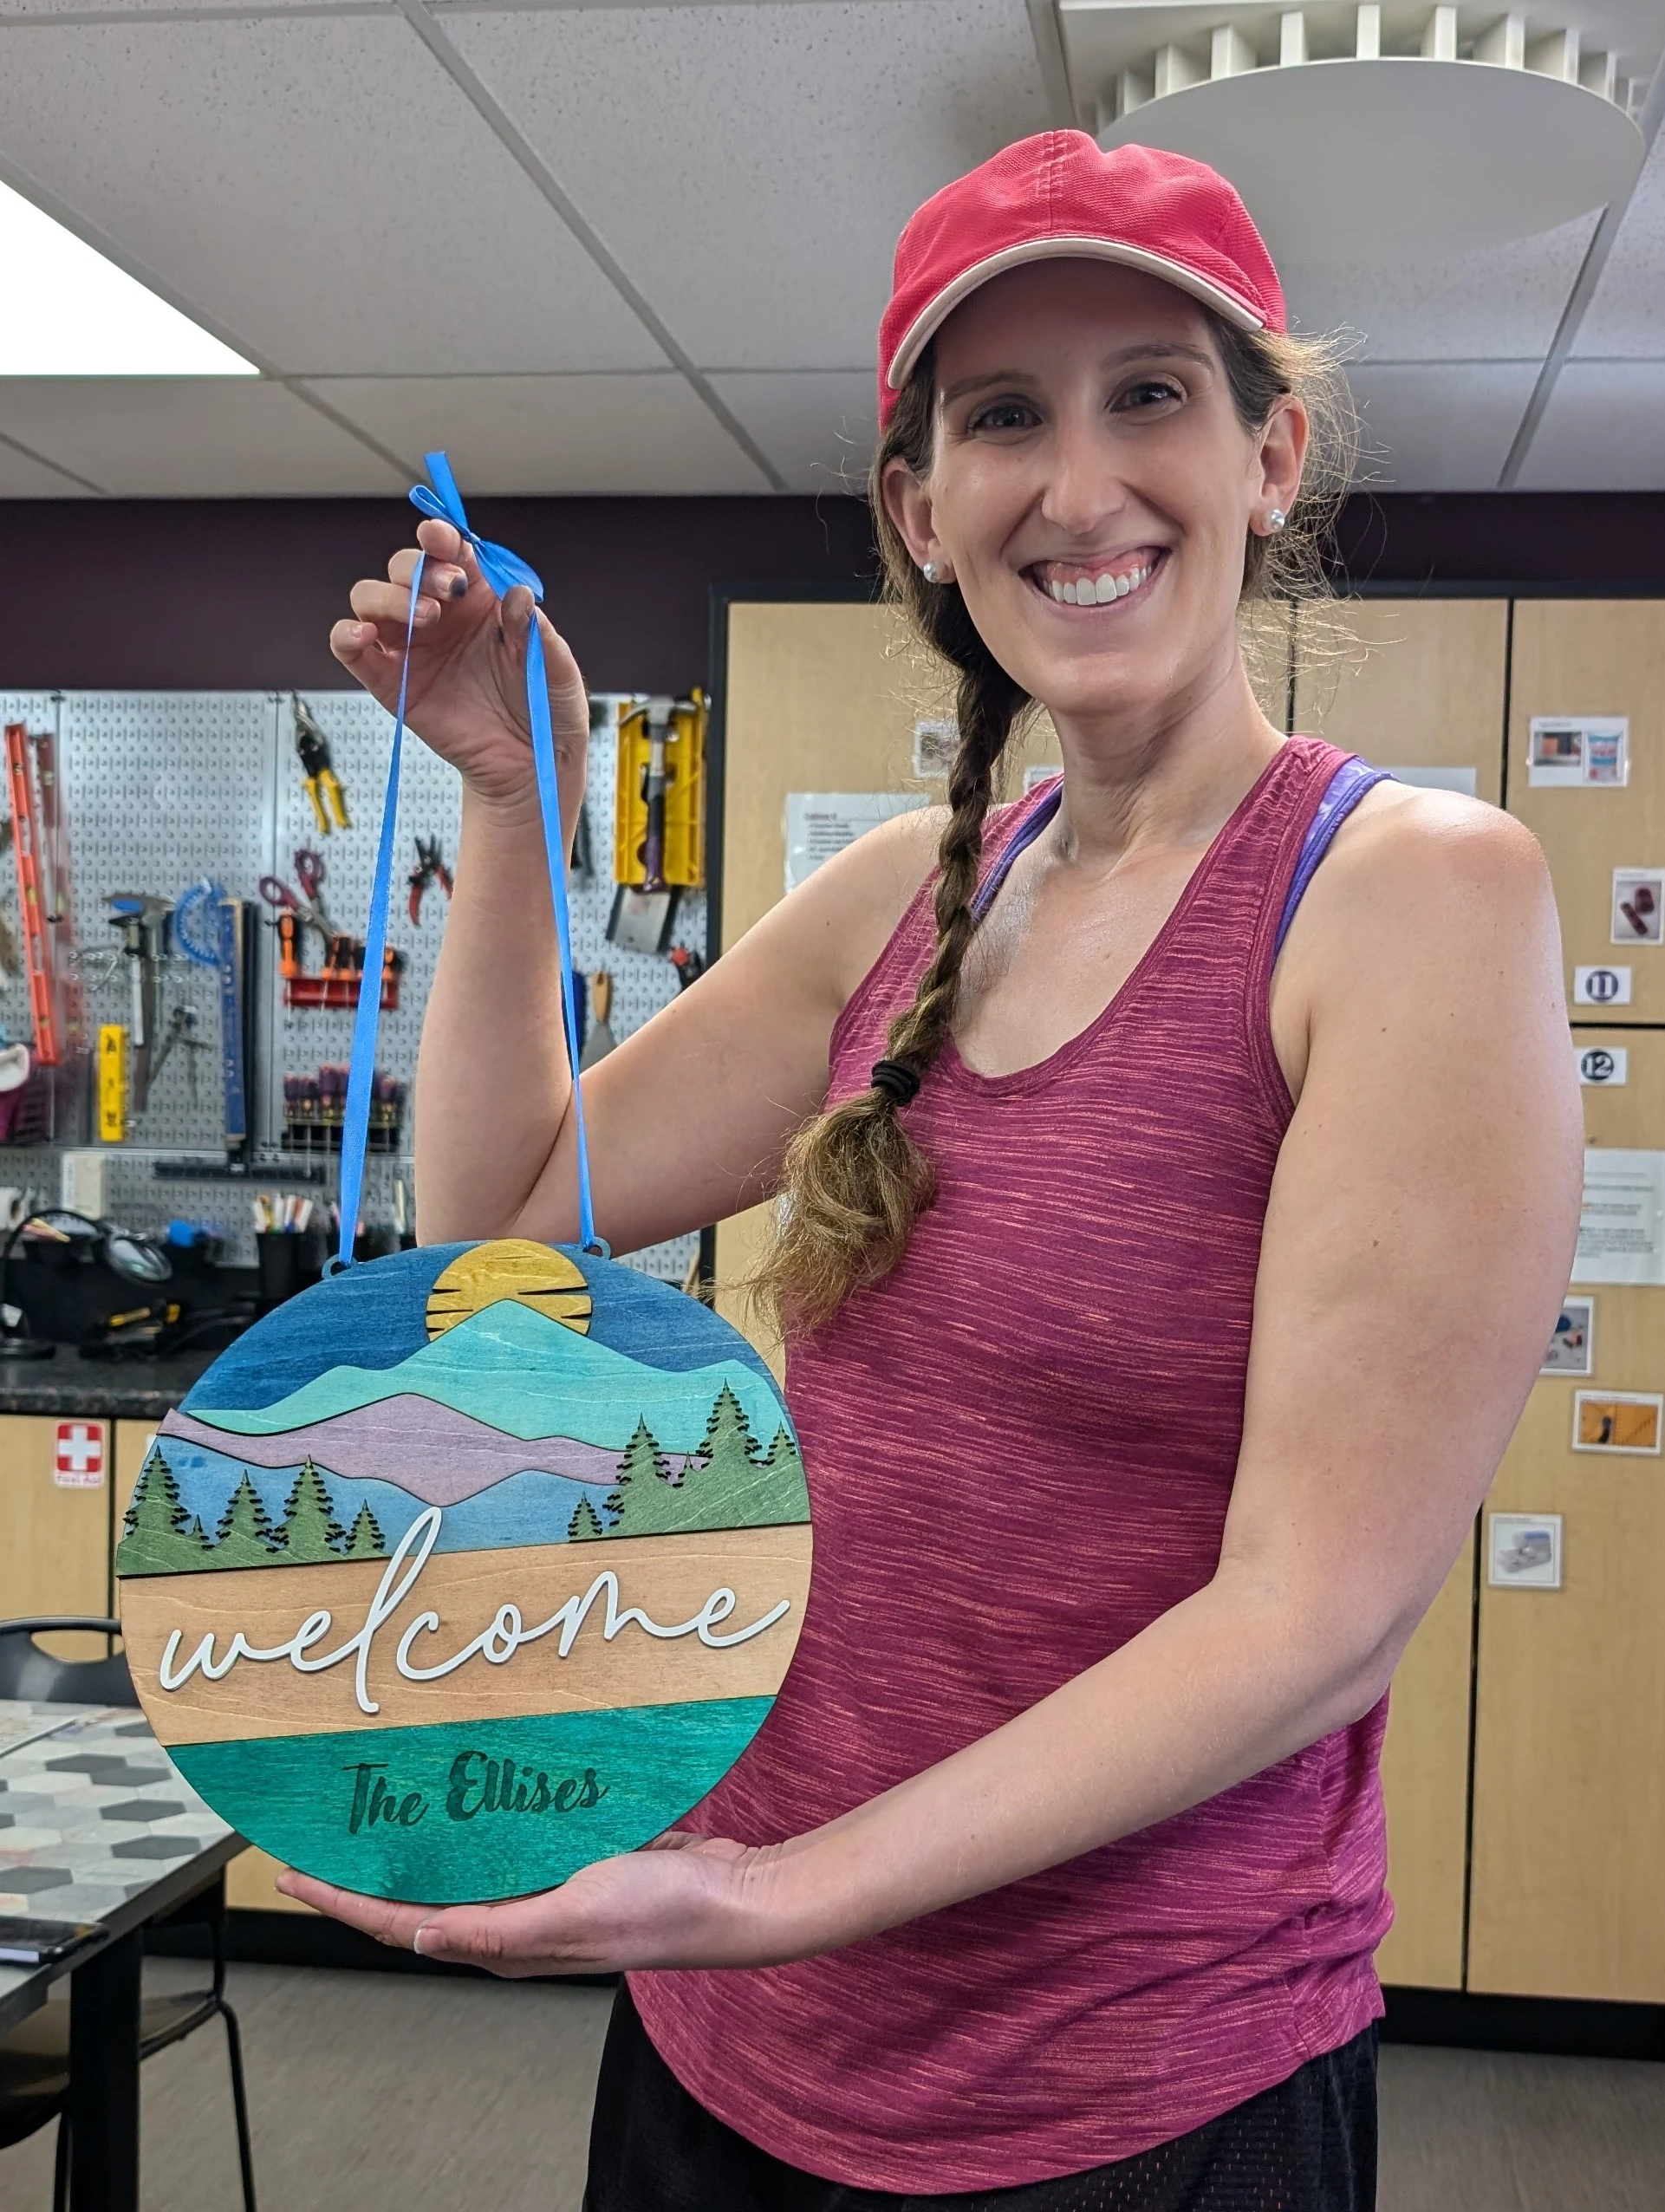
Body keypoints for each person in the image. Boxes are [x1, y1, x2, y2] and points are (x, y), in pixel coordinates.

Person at [283, 132, 1583, 2210]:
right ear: (920, 509)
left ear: (1271, 456)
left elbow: (1316, 1615)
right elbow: (509, 1213)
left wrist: (773, 1890)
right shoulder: (907, 894)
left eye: (1148, 393)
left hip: (1129, 2091)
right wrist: (515, 799)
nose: (1079, 485)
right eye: (1003, 419)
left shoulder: (1408, 897)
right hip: (729, 2040)